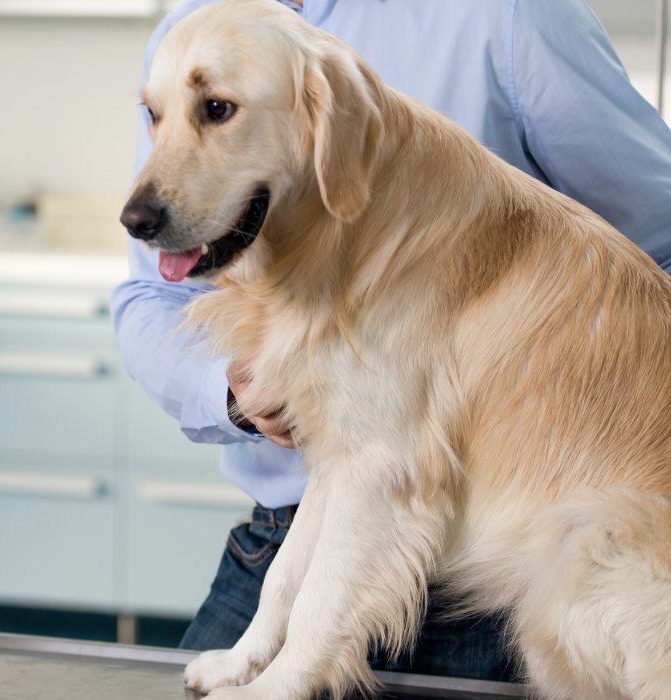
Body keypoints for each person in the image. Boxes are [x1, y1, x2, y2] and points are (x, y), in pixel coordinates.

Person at [111, 0, 671, 682]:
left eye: (217, 111)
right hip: (285, 533)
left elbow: (662, 237)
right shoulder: (190, 32)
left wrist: (558, 385)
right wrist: (229, 392)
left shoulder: (510, 16)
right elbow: (152, 297)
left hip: (503, 569)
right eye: (157, 114)